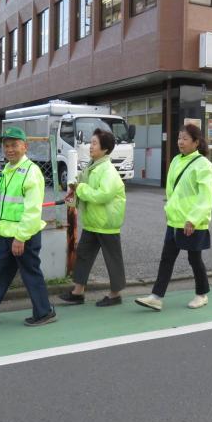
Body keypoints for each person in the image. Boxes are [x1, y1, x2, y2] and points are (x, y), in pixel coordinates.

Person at [0, 126, 56, 328]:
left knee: (30, 274)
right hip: (7, 233)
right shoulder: (8, 169)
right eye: (6, 146)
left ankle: (44, 312)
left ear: (25, 147)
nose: (9, 149)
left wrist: (21, 237)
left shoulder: (31, 172)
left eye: (14, 145)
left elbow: (32, 210)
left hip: (25, 235)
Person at [135, 124, 212, 311]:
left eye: (185, 138)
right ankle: (156, 296)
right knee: (166, 259)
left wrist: (193, 219)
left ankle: (202, 295)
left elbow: (206, 196)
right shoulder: (176, 160)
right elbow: (173, 192)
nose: (180, 142)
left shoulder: (204, 165)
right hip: (174, 220)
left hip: (192, 223)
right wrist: (169, 209)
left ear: (196, 142)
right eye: (179, 137)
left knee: (194, 260)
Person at [58, 128, 127, 307]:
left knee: (112, 259)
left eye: (94, 143)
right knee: (83, 255)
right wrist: (76, 188)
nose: (91, 146)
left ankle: (115, 294)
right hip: (93, 222)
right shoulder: (93, 166)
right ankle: (78, 291)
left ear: (105, 149)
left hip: (106, 223)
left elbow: (103, 195)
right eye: (91, 142)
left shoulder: (107, 170)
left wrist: (80, 189)